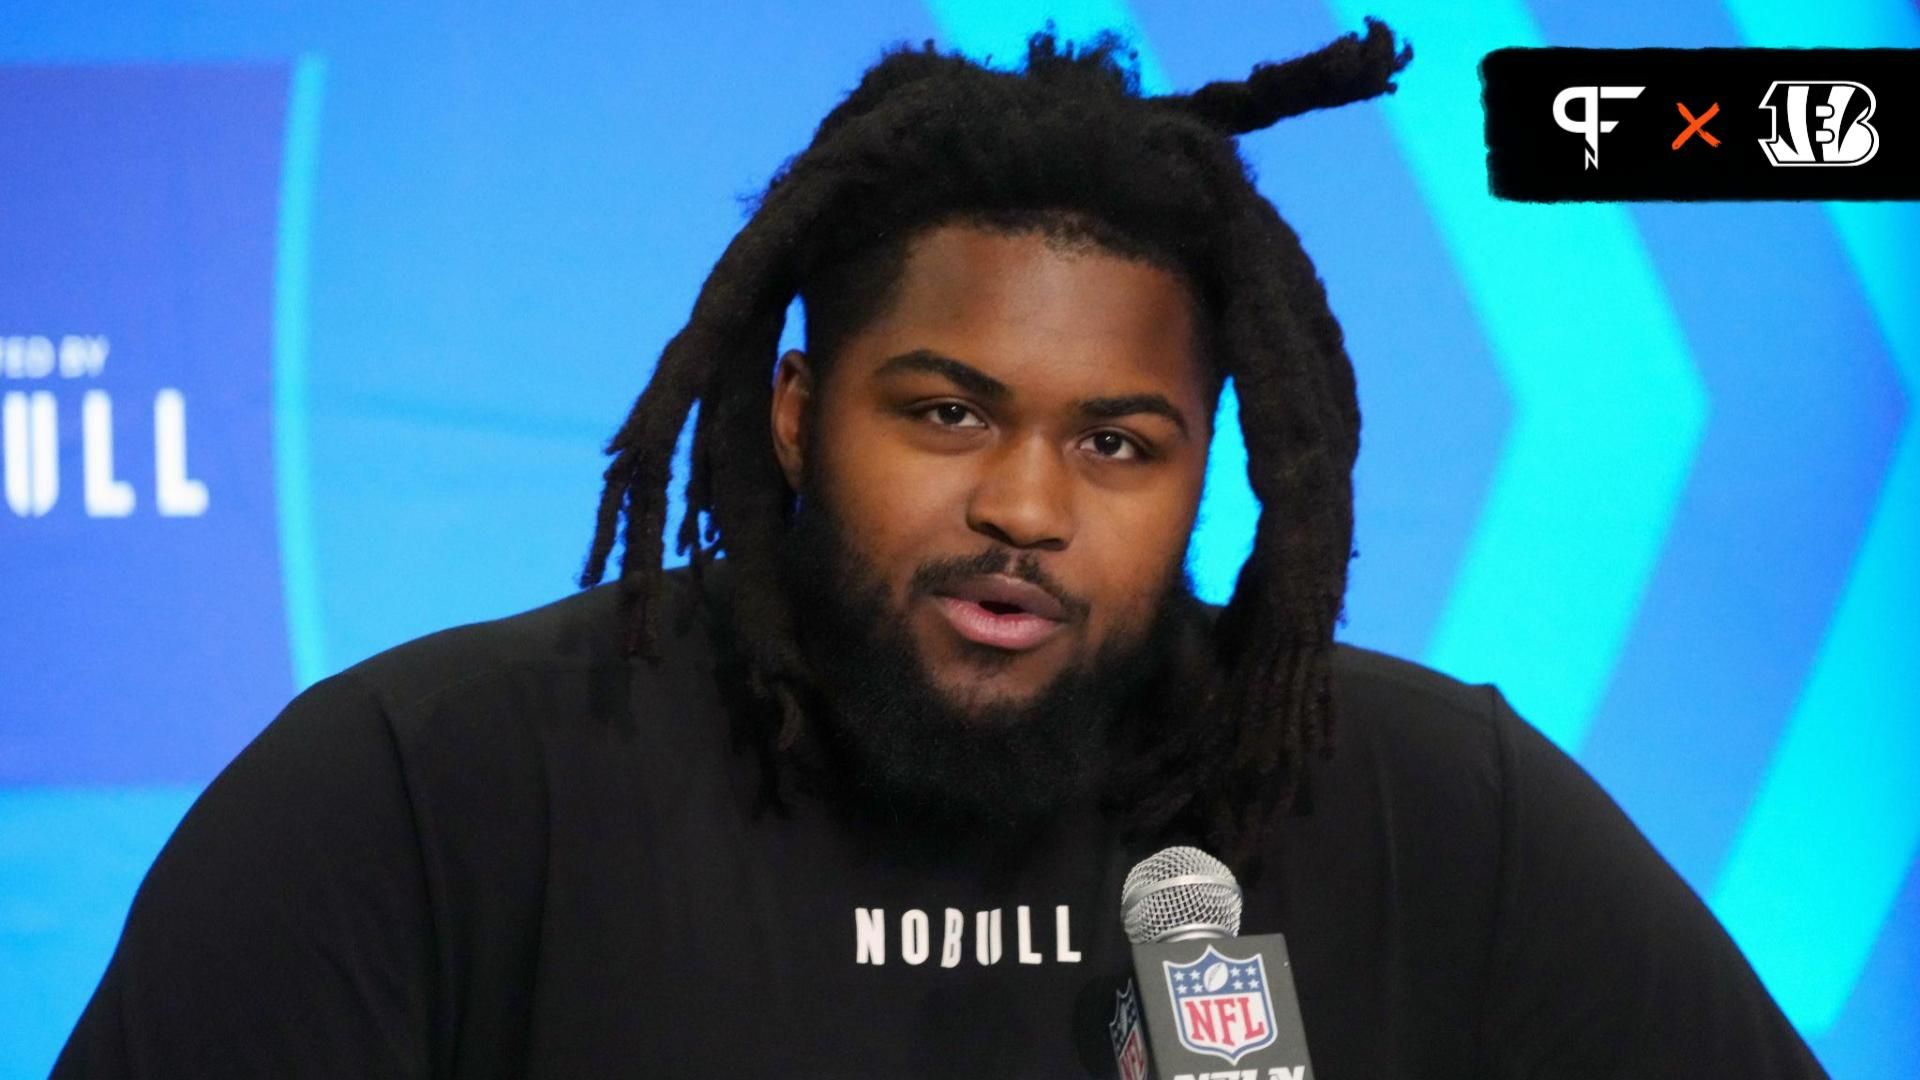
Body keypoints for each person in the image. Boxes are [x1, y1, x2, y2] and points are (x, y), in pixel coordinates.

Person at [54, 21, 1825, 1079]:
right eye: (949, 413)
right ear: (794, 410)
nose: (1028, 511)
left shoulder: (1430, 811)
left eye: (1118, 445)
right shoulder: (426, 794)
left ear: (1205, 466)